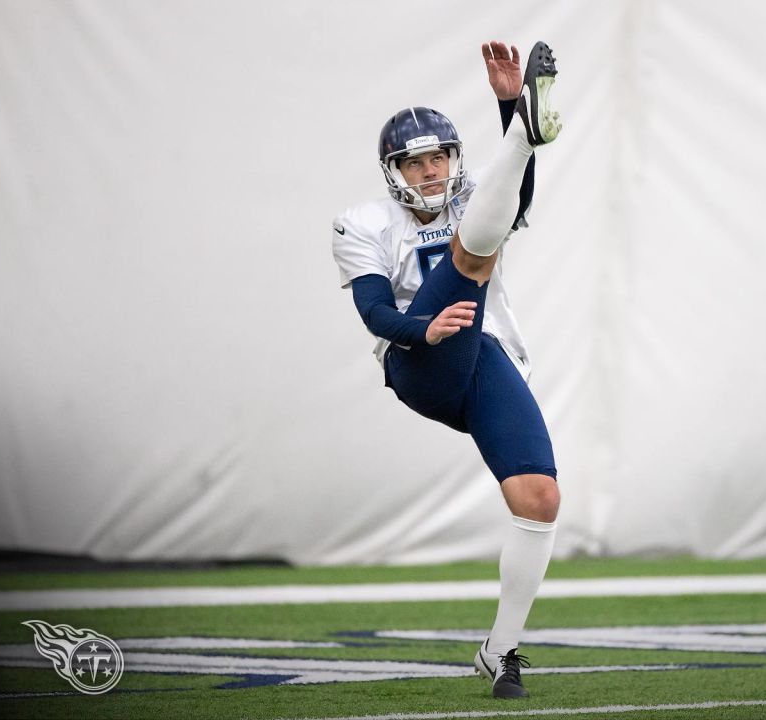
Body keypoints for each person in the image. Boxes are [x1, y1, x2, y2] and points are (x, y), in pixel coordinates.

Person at [330, 40, 563, 700]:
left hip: (482, 358)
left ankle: (501, 650)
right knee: (471, 261)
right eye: (416, 160)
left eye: (440, 157)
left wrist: (506, 97)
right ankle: (527, 129)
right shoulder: (363, 223)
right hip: (419, 364)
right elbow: (375, 312)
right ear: (392, 169)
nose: (432, 170)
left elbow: (511, 199)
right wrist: (422, 329)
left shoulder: (470, 200)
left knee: (540, 498)